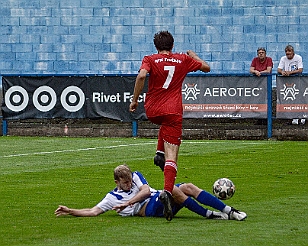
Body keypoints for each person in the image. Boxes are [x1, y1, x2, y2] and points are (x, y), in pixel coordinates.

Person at [129, 31, 211, 220]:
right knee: (172, 156)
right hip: (173, 110)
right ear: (172, 46)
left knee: (163, 127)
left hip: (153, 110)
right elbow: (207, 67)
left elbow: (142, 76)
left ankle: (159, 153)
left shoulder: (150, 58)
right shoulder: (183, 59)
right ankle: (166, 191)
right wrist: (193, 56)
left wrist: (135, 100)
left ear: (156, 46)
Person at [55, 164, 247, 222]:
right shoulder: (111, 198)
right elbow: (93, 211)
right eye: (125, 183)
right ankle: (211, 215)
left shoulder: (136, 176)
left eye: (130, 180)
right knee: (172, 189)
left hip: (154, 197)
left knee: (187, 187)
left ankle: (229, 211)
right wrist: (70, 210)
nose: (129, 184)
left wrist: (127, 203)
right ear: (116, 183)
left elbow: (146, 190)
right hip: (149, 209)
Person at [277, 45, 305, 125]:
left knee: (299, 99)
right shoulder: (283, 58)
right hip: (287, 82)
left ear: (293, 52)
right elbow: (279, 69)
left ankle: (301, 118)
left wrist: (290, 73)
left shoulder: (298, 58)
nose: (288, 54)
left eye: (289, 53)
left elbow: (300, 69)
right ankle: (291, 118)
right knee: (289, 101)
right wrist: (282, 72)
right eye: (287, 53)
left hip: (297, 81)